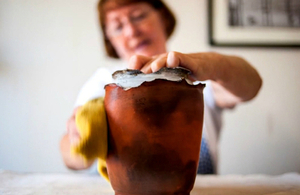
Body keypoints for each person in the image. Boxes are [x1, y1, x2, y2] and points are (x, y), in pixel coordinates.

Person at [60, 0, 262, 174]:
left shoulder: (197, 75)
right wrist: (80, 146)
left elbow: (252, 85)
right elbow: (69, 149)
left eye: (138, 16)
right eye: (118, 27)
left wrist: (208, 63)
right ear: (110, 41)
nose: (131, 31)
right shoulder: (103, 83)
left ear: (163, 18)